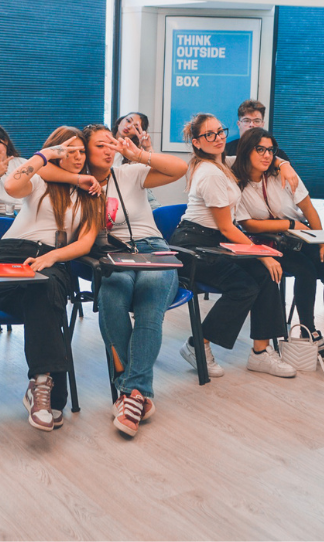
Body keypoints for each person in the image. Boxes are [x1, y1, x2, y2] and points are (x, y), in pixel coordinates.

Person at [0, 127, 103, 432]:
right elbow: (11, 186)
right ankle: (53, 396)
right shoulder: (38, 182)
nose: (77, 157)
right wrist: (44, 156)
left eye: (81, 152)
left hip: (54, 262)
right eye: (69, 151)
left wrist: (52, 257)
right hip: (11, 256)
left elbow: (86, 243)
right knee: (46, 299)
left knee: (45, 288)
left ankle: (40, 386)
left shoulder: (91, 195)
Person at [169, 113, 295, 378]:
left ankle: (260, 353)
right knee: (246, 285)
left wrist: (283, 163)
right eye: (209, 135)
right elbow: (227, 227)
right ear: (197, 142)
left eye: (220, 131)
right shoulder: (210, 173)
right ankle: (198, 344)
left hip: (214, 241)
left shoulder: (221, 163)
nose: (218, 138)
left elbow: (258, 155)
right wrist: (262, 253)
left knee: (266, 275)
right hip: (194, 246)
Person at [82, 123, 188, 437]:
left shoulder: (129, 173)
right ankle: (137, 393)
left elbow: (179, 168)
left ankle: (131, 392)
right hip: (113, 254)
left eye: (110, 143)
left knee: (149, 303)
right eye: (99, 145)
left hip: (153, 249)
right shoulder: (77, 185)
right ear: (85, 151)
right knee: (112, 297)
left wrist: (137, 154)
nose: (107, 149)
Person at [232, 128, 324, 366]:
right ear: (247, 151)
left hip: (301, 234)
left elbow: (309, 209)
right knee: (305, 270)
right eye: (260, 150)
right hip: (268, 241)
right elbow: (248, 223)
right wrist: (288, 223)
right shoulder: (236, 181)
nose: (267, 155)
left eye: (271, 150)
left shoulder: (283, 174)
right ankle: (308, 332)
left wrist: (322, 242)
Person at [111, 112, 161, 209]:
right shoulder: (104, 144)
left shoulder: (134, 152)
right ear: (120, 121)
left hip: (140, 198)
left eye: (136, 128)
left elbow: (154, 172)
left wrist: (148, 147)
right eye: (128, 121)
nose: (129, 126)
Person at [224, 99, 290, 161]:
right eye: (246, 121)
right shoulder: (225, 151)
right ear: (239, 124)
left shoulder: (277, 155)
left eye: (257, 121)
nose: (252, 125)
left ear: (262, 124)